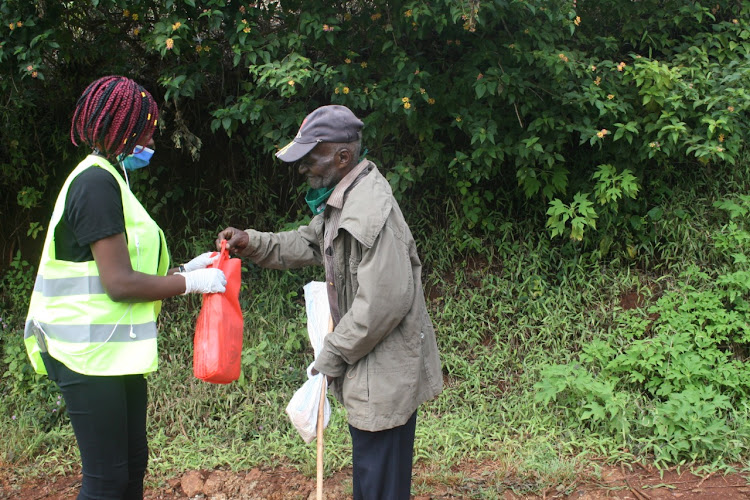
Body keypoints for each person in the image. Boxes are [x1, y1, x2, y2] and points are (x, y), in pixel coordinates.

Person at [216, 104, 443, 499]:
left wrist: (330, 355)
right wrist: (252, 242)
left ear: (343, 156)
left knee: (378, 487)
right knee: (376, 482)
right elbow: (308, 241)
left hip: (384, 374)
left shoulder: (369, 211)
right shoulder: (345, 197)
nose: (303, 168)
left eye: (310, 158)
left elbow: (382, 305)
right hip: (372, 371)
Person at [24, 75, 226, 500]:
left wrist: (186, 267)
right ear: (125, 128)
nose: (153, 136)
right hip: (84, 355)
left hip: (114, 354)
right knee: (107, 480)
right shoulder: (95, 184)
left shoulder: (113, 180)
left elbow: (120, 263)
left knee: (132, 467)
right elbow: (118, 283)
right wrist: (191, 283)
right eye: (148, 128)